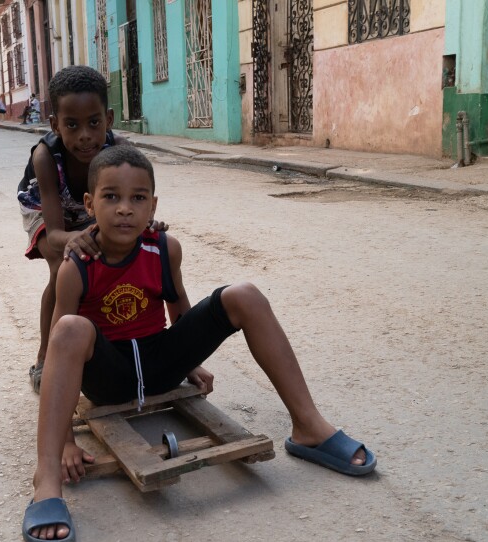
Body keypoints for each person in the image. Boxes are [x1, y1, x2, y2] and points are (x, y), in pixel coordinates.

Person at [22, 145, 377, 541]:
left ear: (153, 205)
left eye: (138, 198)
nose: (125, 209)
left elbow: (180, 310)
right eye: (111, 197)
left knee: (245, 294)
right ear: (89, 203)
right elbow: (59, 348)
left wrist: (189, 361)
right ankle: (47, 478)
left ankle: (309, 425)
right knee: (71, 327)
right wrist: (68, 439)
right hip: (109, 377)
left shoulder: (164, 249)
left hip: (161, 365)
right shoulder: (77, 267)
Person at [18, 65, 154, 393]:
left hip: (93, 206)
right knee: (64, 266)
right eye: (72, 125)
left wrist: (146, 225)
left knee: (120, 254)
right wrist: (80, 237)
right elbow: (54, 231)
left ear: (108, 119)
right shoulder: (45, 157)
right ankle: (46, 356)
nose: (84, 136)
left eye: (94, 123)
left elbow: (135, 201)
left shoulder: (119, 152)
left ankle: (110, 337)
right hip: (46, 211)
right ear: (55, 125)